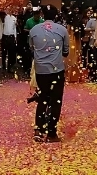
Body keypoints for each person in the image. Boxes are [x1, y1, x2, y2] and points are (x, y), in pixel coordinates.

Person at [29, 9, 70, 143]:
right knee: (56, 100)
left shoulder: (34, 30)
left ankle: (38, 129)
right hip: (56, 70)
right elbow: (65, 52)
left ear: (42, 15)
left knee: (42, 98)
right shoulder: (62, 30)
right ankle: (51, 133)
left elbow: (31, 48)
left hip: (41, 70)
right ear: (56, 16)